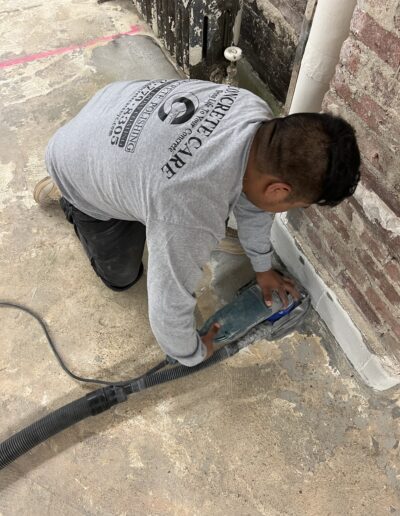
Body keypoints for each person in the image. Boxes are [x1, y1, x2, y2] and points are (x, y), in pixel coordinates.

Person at [34, 79, 360, 366]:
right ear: (278, 190)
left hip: (112, 106)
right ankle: (65, 190)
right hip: (76, 161)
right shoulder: (190, 206)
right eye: (296, 203)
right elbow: (167, 303)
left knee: (171, 215)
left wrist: (262, 267)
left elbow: (255, 203)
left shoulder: (254, 114)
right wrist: (190, 353)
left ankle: (130, 194)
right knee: (122, 278)